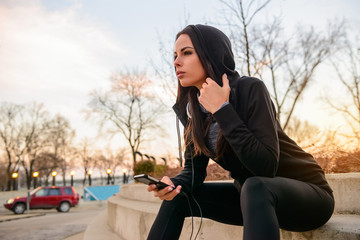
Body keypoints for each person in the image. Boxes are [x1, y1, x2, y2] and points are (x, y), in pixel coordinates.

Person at [146, 24, 334, 240]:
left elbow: (265, 166)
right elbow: (194, 171)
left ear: (211, 54)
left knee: (255, 186)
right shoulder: (193, 111)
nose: (176, 62)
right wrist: (174, 184)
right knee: (179, 197)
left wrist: (223, 111)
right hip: (253, 200)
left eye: (187, 53)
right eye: (175, 55)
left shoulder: (250, 89)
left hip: (308, 197)